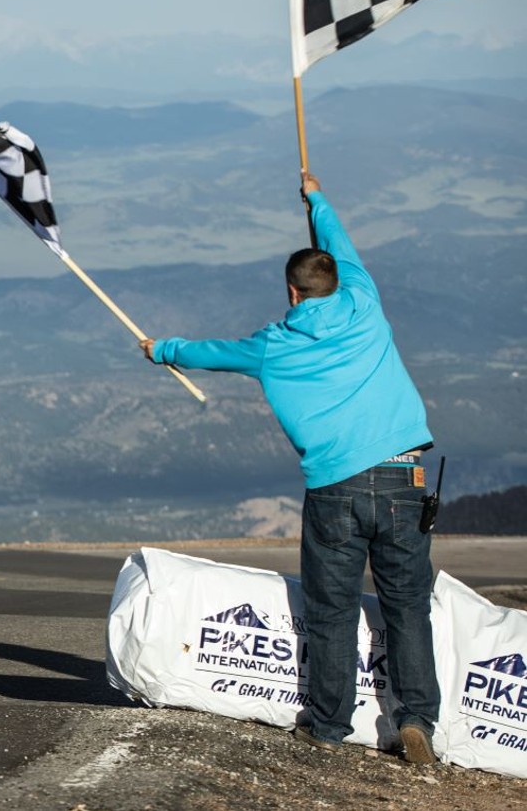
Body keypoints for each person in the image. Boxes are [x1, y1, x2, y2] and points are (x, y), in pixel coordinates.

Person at [140, 171, 438, 765]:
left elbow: (212, 353)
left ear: (293, 293)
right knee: (407, 605)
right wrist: (317, 197)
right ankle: (417, 718)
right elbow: (340, 244)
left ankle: (328, 724)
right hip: (403, 477)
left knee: (331, 610)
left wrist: (162, 349)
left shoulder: (274, 345)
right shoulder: (364, 300)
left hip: (335, 487)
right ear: (336, 280)